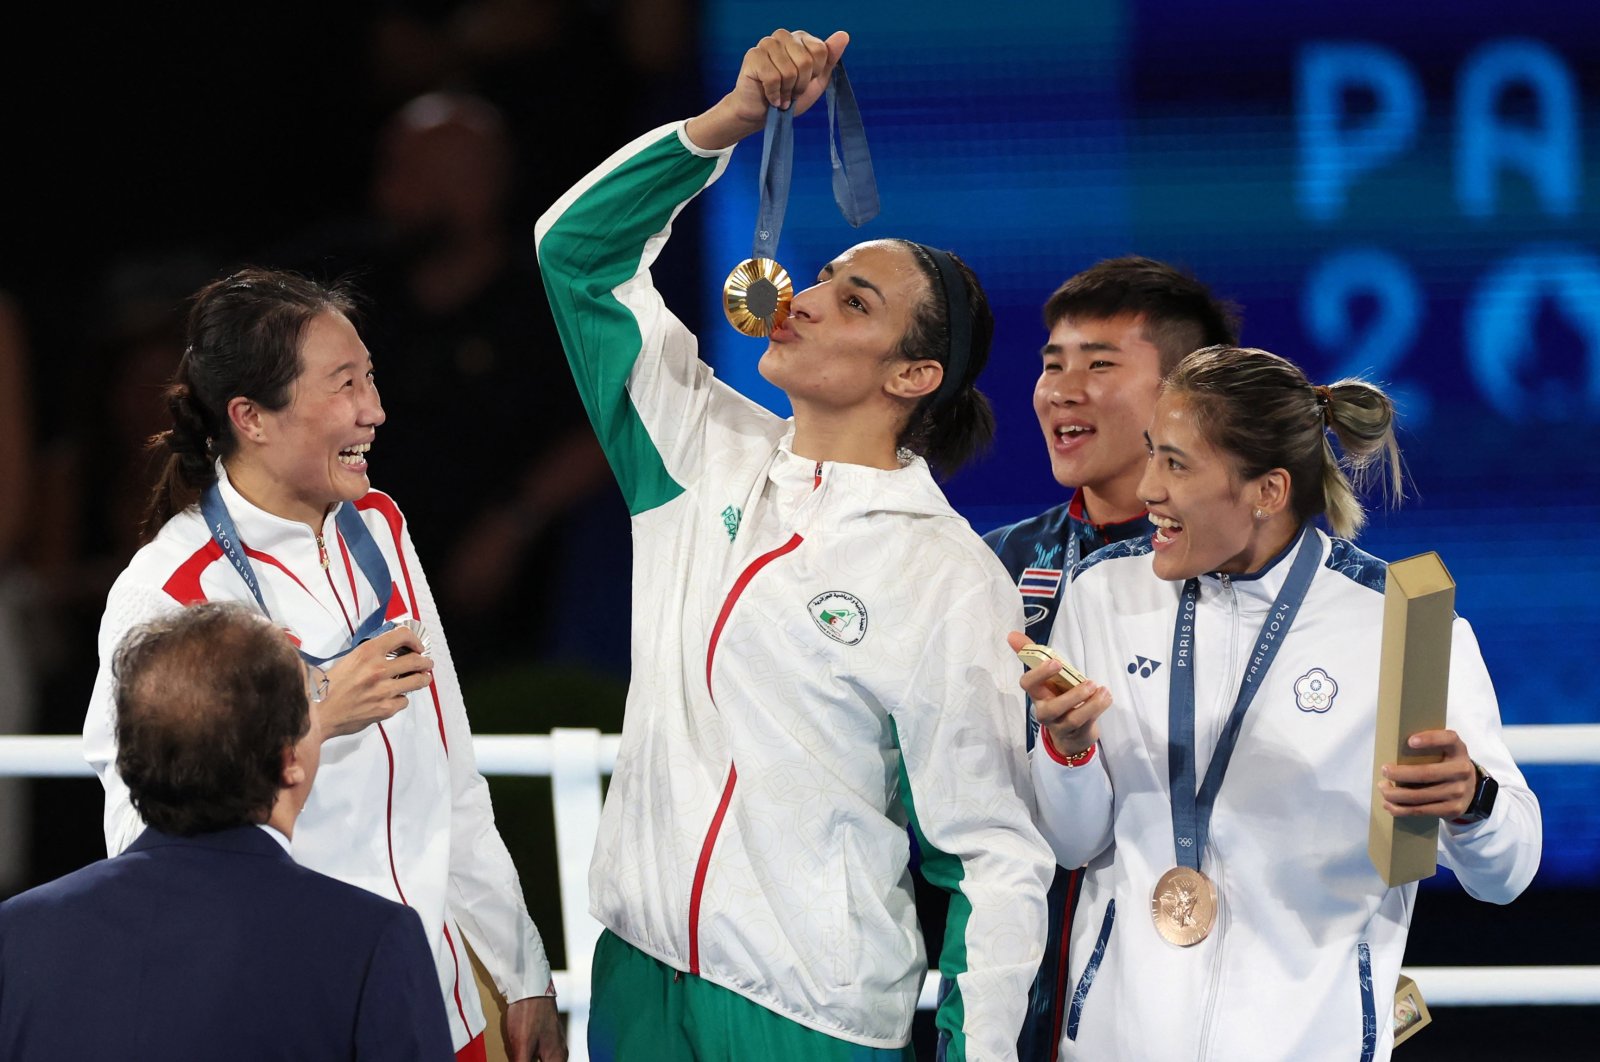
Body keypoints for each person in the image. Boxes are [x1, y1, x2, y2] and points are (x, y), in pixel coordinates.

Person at [536, 27, 1053, 1062]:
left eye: (851, 301)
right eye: (818, 278)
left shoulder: (943, 574)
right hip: (638, 971)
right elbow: (576, 254)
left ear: (913, 377)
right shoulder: (694, 450)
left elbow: (989, 856)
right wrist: (727, 121)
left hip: (803, 1014)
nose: (803, 300)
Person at [80, 268, 566, 1062]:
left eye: (369, 379)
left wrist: (523, 972)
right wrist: (310, 719)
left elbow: (453, 772)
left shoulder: (378, 526)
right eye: (344, 386)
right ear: (252, 418)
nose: (374, 410)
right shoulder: (170, 592)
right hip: (289, 1016)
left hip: (443, 1001)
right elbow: (144, 845)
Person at [1021, 345, 1541, 1061]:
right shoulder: (1103, 594)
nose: (1146, 488)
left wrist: (1473, 801)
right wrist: (1068, 754)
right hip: (1118, 1041)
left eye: (1176, 463)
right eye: (1150, 453)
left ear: (1268, 490)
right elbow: (1074, 841)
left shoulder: (1401, 625)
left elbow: (1508, 874)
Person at [978, 257, 1239, 1059]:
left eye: (1099, 365)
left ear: (1181, 400)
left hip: (1202, 987)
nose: (1062, 388)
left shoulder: (1247, 577)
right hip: (1009, 986)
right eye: (1052, 364)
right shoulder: (988, 569)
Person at [2, 602, 454, 1060]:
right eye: (317, 693)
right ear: (289, 760)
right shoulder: (372, 944)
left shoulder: (17, 933)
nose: (324, 711)